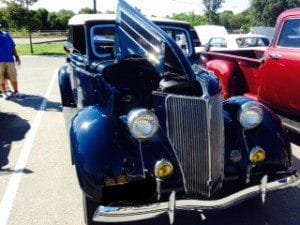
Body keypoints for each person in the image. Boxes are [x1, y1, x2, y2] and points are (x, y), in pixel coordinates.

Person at [0, 23, 21, 98]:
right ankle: (4, 93)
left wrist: (17, 56)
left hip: (9, 59)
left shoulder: (6, 35)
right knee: (1, 78)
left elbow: (12, 46)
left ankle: (16, 91)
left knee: (13, 76)